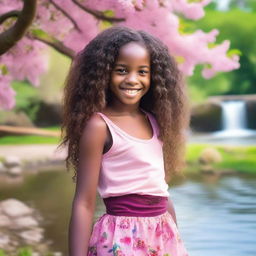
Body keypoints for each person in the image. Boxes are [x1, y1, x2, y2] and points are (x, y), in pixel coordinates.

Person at [61, 26, 190, 256]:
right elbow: (84, 203)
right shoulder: (99, 126)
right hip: (121, 238)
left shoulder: (156, 121)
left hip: (162, 232)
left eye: (142, 71)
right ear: (104, 73)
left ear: (154, 76)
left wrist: (175, 241)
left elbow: (161, 192)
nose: (132, 79)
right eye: (122, 70)